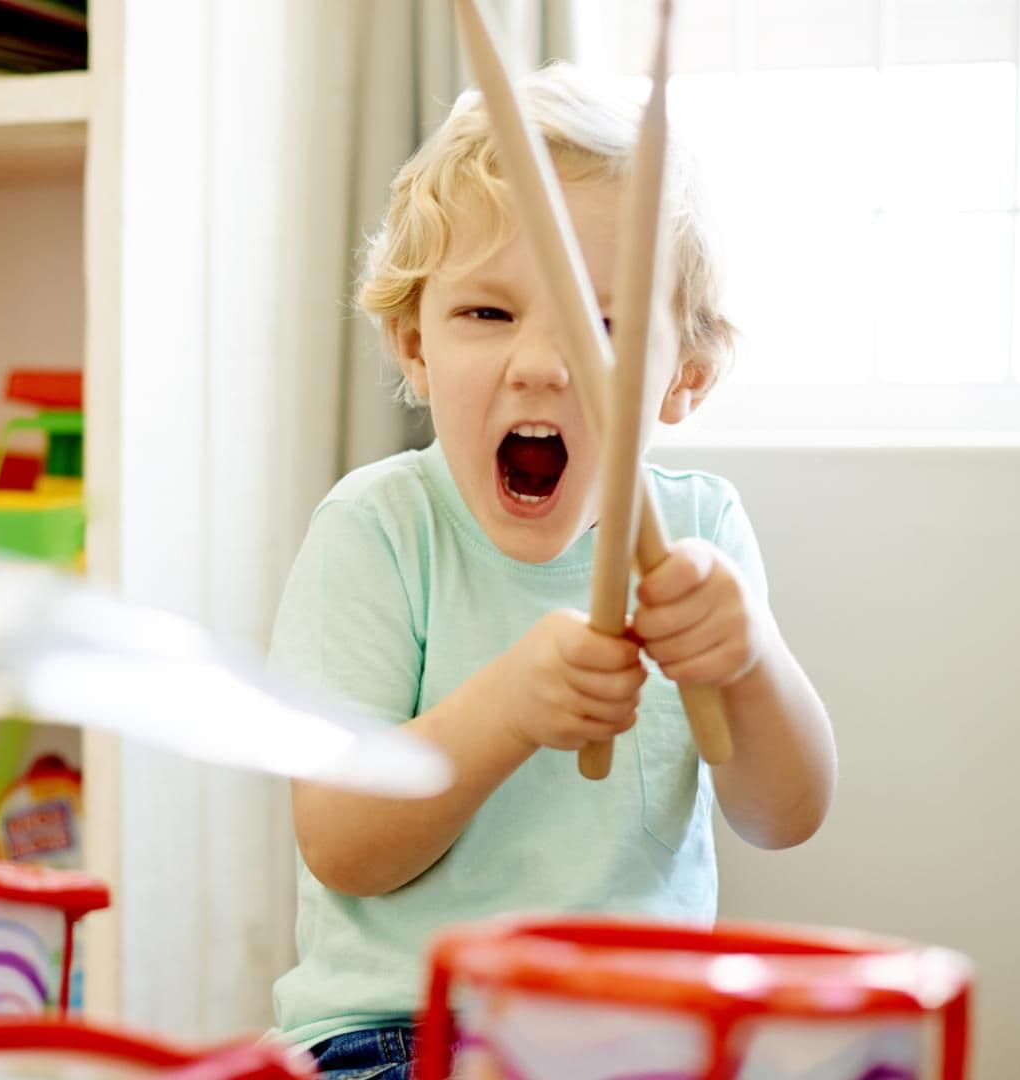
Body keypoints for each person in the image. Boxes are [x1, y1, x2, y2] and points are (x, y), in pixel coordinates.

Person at [270, 63, 837, 1079]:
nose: (542, 363)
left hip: (643, 1036)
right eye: (488, 315)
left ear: (687, 375)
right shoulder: (378, 531)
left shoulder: (702, 529)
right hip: (402, 1031)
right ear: (415, 347)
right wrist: (507, 709)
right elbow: (341, 844)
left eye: (605, 327)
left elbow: (784, 814)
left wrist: (746, 660)